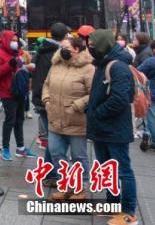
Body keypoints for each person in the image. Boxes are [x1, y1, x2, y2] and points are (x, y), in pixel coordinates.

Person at [86, 30, 138, 225]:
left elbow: (120, 99)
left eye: (93, 44)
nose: (90, 47)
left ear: (103, 44)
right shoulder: (102, 63)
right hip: (101, 129)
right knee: (108, 169)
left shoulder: (118, 67)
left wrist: (97, 112)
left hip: (115, 129)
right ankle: (112, 204)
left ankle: (129, 212)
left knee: (123, 170)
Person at [42, 36, 94, 201]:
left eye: (66, 47)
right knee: (56, 153)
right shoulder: (56, 65)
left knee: (79, 156)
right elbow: (46, 84)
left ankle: (80, 188)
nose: (62, 50)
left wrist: (77, 106)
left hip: (76, 120)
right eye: (61, 47)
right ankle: (65, 184)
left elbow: (93, 93)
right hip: (55, 118)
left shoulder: (88, 68)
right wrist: (46, 100)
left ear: (76, 49)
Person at [0, 31, 37, 161]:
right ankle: (5, 148)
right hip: (8, 93)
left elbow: (21, 69)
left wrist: (28, 68)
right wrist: (9, 65)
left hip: (21, 91)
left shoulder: (19, 53)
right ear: (5, 40)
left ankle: (20, 148)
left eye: (17, 40)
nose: (15, 42)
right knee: (10, 121)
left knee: (19, 120)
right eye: (13, 39)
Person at [32, 22, 67, 158]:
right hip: (49, 99)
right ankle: (52, 171)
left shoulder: (43, 50)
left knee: (53, 136)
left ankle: (49, 171)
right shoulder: (56, 53)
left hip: (42, 97)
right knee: (55, 137)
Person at [137, 40, 155, 151]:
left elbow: (138, 72)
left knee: (152, 116)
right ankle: (147, 132)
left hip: (153, 93)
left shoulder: (151, 61)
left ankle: (153, 140)